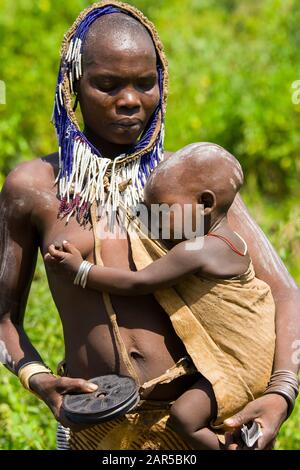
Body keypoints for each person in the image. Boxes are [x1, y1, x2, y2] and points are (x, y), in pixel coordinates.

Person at [0, 0, 299, 451]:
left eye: (146, 83)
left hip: (202, 427)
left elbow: (283, 292)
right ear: (72, 87)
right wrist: (38, 378)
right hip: (96, 426)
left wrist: (281, 393)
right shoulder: (36, 188)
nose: (129, 101)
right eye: (107, 85)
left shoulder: (189, 183)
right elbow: (3, 317)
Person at [45, 143, 276, 450]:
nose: (153, 220)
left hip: (236, 366)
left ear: (205, 203)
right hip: (247, 361)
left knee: (184, 416)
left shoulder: (198, 250)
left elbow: (139, 282)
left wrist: (81, 270)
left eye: (162, 210)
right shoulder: (231, 241)